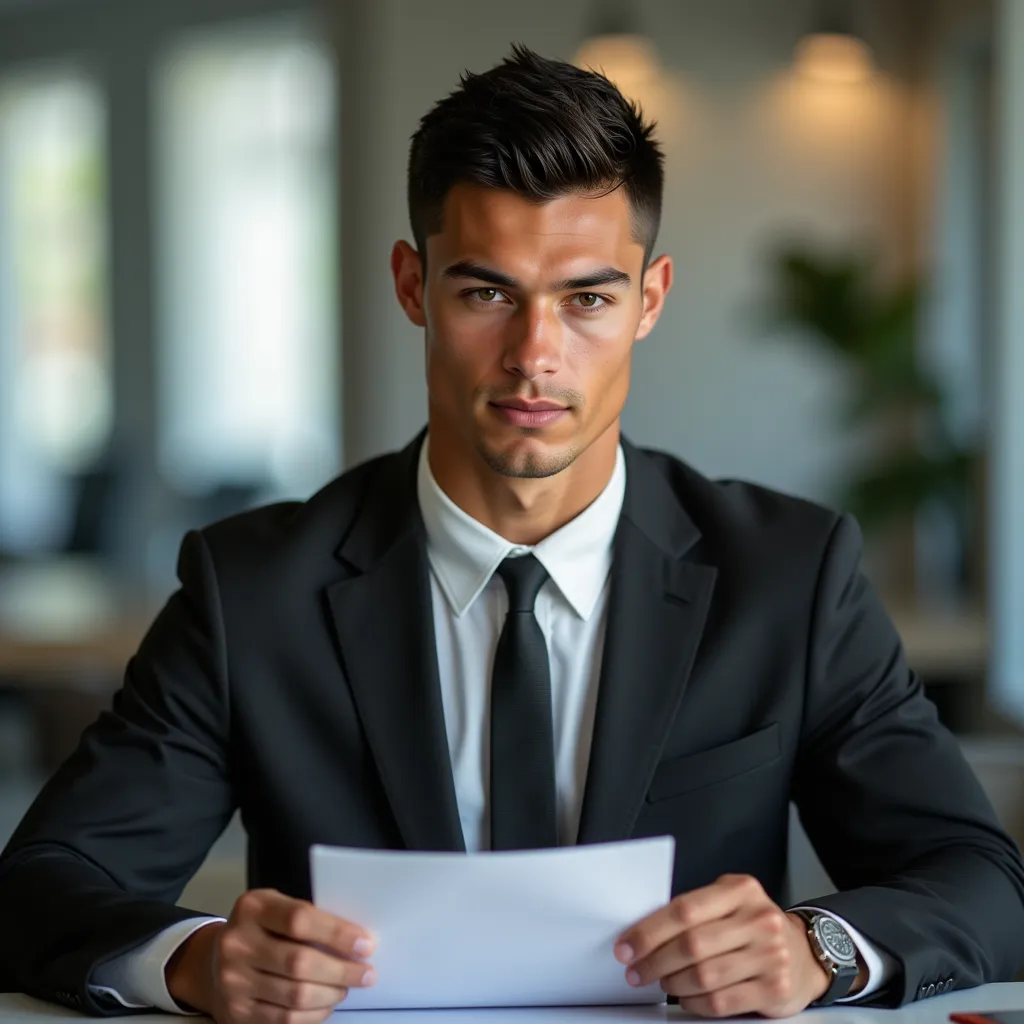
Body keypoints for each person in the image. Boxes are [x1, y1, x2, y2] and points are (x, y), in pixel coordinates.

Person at [1, 44, 1023, 1022]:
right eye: (486, 291)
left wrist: (821, 950)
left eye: (587, 298)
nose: (535, 355)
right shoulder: (251, 591)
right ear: (413, 286)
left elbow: (982, 882)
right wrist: (192, 957)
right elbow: (42, 886)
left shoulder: (790, 578)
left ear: (648, 301)